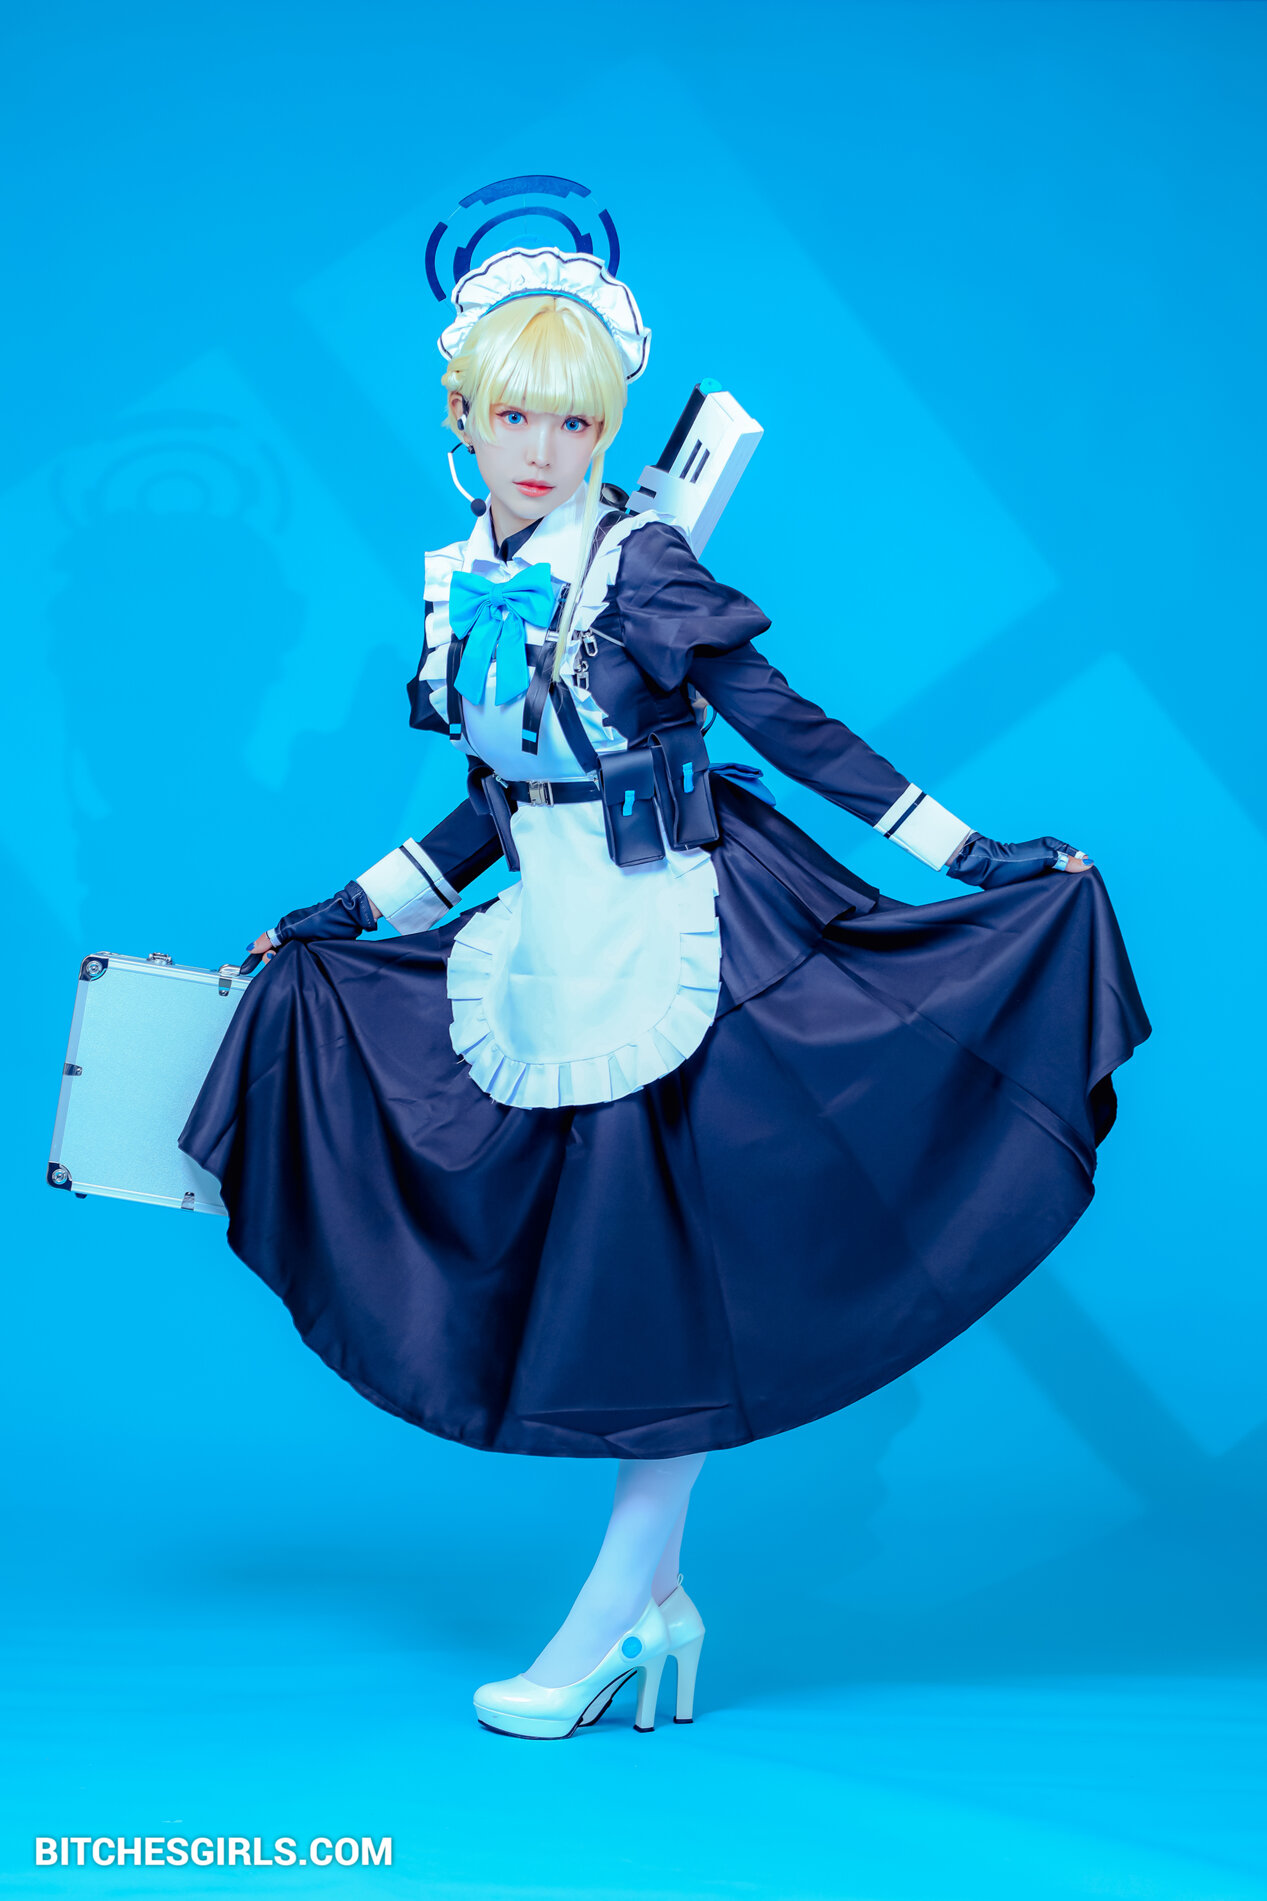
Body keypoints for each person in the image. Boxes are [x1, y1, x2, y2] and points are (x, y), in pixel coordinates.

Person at [179, 244, 1150, 1742]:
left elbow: (790, 726)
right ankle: (661, 1605)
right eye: (516, 416)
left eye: (575, 421)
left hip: (687, 937)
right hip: (555, 938)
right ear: (462, 416)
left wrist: (974, 857)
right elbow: (500, 805)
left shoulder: (640, 562)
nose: (544, 448)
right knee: (608, 1260)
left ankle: (602, 1621)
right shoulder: (462, 581)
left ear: (608, 429)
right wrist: (355, 907)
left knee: (664, 1290)